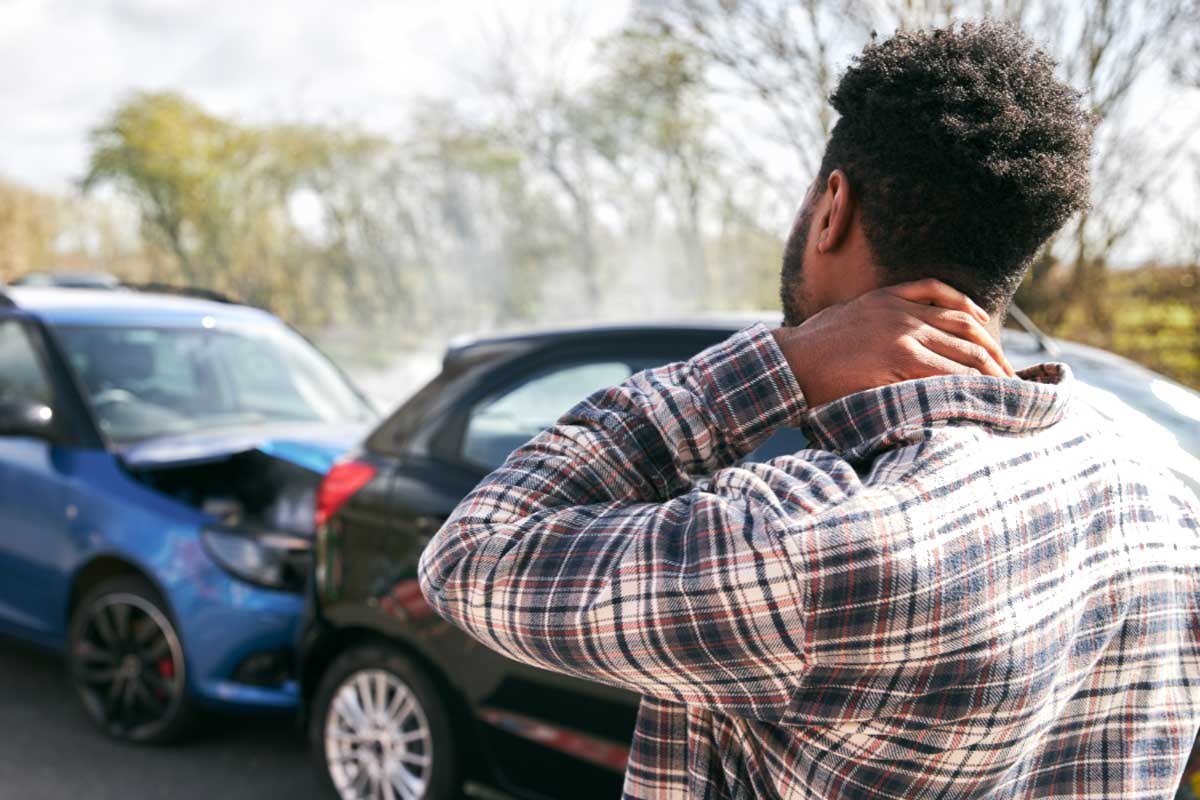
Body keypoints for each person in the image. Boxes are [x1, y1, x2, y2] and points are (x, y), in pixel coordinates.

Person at [419, 21, 1200, 799]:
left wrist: (781, 363)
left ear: (832, 208)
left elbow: (472, 555)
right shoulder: (1162, 478)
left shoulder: (813, 544)